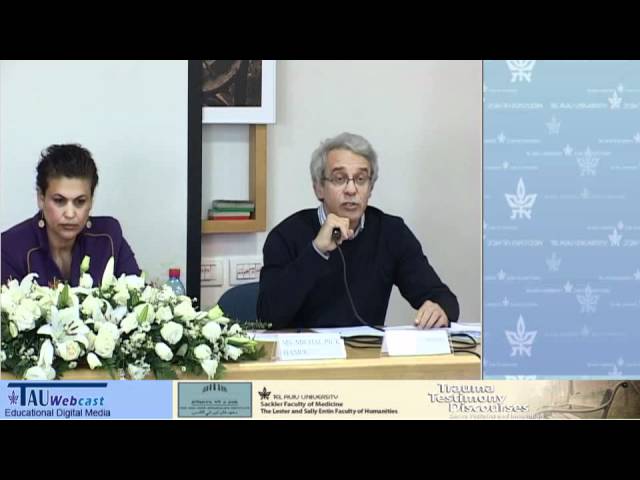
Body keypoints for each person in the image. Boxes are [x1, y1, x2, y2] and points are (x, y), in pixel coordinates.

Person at [257, 132, 459, 330]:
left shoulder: (392, 233)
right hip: (305, 351)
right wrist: (317, 251)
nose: (351, 190)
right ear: (318, 188)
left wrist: (439, 309)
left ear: (370, 188)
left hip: (367, 350)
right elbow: (268, 317)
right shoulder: (285, 236)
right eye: (339, 179)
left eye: (361, 179)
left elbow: (444, 298)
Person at [1, 144, 140, 287]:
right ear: (41, 198)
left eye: (80, 202)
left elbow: (139, 293)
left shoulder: (108, 236)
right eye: (59, 201)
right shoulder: (9, 247)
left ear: (91, 201)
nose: (70, 213)